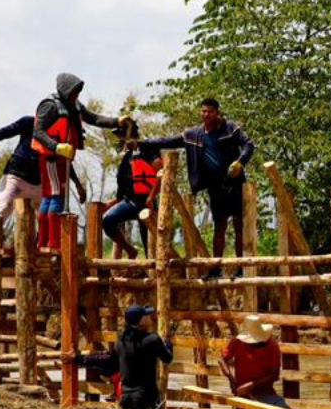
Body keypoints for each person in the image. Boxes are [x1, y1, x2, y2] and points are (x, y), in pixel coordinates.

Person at [140, 98, 255, 280]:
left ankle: (241, 267)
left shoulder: (230, 128)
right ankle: (216, 267)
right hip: (215, 186)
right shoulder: (194, 135)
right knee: (219, 226)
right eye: (203, 111)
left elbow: (249, 144)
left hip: (234, 183)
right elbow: (168, 141)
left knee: (239, 225)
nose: (206, 115)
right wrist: (142, 143)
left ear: (217, 113)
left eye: (210, 111)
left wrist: (240, 162)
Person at [32, 73, 133, 252]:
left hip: (63, 157)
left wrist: (116, 121)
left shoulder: (75, 105)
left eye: (77, 92)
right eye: (73, 92)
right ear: (65, 91)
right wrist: (56, 147)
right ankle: (52, 243)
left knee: (51, 197)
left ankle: (47, 243)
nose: (76, 95)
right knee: (55, 197)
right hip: (51, 157)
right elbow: (38, 132)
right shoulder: (49, 106)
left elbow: (94, 118)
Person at [0, 115, 86, 228]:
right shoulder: (30, 122)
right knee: (3, 208)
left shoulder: (60, 138)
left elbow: (65, 163)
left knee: (49, 216)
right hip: (15, 178)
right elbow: (6, 131)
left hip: (38, 184)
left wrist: (77, 184)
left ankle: (41, 239)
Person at [70, 305, 174, 409]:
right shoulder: (152, 339)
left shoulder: (121, 341)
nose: (150, 319)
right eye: (147, 316)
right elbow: (167, 358)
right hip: (146, 399)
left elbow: (108, 361)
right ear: (142, 320)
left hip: (126, 398)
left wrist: (78, 359)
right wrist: (168, 344)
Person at [102, 123, 163, 259]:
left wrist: (151, 197)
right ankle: (130, 250)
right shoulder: (126, 158)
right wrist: (111, 203)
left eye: (122, 135)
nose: (120, 139)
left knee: (149, 244)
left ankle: (153, 269)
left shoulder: (148, 150)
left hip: (147, 205)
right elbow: (123, 191)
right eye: (119, 136)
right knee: (108, 221)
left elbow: (161, 172)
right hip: (130, 203)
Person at [219, 315, 286, 407]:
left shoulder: (272, 345)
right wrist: (231, 379)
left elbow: (274, 375)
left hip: (266, 393)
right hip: (242, 395)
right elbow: (222, 359)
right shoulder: (236, 342)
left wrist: (252, 385)